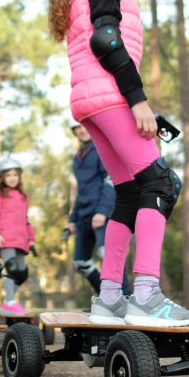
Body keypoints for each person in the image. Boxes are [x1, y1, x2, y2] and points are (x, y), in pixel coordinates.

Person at [48, 0, 189, 327]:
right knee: (160, 183)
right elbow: (106, 39)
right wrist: (138, 101)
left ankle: (111, 296)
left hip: (91, 99)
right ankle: (147, 295)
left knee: (132, 192)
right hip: (111, 95)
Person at [65, 122, 114, 294]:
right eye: (77, 127)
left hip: (101, 212)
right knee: (80, 263)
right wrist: (72, 221)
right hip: (84, 216)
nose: (82, 130)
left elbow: (111, 180)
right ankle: (106, 297)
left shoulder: (102, 149)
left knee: (107, 254)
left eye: (85, 125)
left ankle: (122, 296)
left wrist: (102, 211)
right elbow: (81, 190)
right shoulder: (78, 157)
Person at [0, 155, 35, 316]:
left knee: (22, 272)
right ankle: (9, 302)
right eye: (8, 175)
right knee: (12, 268)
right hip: (5, 239)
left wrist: (31, 240)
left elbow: (25, 220)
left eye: (15, 175)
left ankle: (11, 301)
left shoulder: (23, 196)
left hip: (21, 240)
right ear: (2, 177)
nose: (12, 178)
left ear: (19, 176)